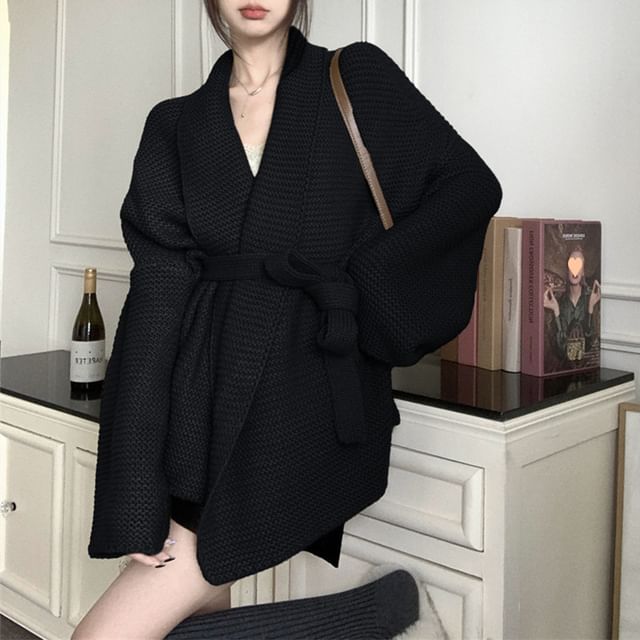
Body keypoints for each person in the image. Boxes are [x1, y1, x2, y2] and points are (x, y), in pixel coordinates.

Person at [72, 0, 502, 637]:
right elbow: (155, 304)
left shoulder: (356, 78)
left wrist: (362, 286)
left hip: (307, 399)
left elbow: (469, 188)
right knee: (190, 617)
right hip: (196, 410)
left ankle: (361, 614)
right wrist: (132, 493)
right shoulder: (175, 124)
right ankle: (368, 614)